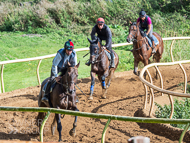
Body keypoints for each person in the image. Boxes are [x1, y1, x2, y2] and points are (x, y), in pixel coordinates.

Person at [41, 39, 77, 104]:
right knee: (52, 80)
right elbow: (54, 65)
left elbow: (74, 65)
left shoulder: (74, 53)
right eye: (68, 50)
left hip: (66, 68)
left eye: (71, 51)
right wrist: (56, 76)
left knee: (72, 80)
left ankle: (74, 97)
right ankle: (45, 95)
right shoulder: (60, 54)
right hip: (57, 68)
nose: (69, 52)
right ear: (65, 49)